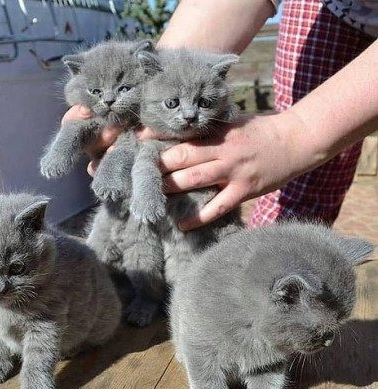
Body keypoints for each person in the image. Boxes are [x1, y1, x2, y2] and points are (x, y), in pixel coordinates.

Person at [62, 0, 378, 231]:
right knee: (299, 188)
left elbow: (293, 141)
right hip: (334, 7)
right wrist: (158, 75)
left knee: (297, 159)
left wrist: (294, 136)